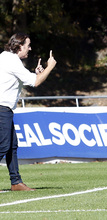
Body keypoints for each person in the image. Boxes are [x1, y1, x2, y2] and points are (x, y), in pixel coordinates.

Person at [0, 33, 57, 191]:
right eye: (28, 45)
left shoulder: (7, 57)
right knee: (4, 146)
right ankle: (16, 181)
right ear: (19, 46)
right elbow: (36, 82)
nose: (30, 49)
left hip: (4, 108)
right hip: (2, 108)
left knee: (11, 145)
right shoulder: (12, 61)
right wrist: (50, 67)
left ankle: (16, 182)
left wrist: (38, 73)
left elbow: (28, 79)